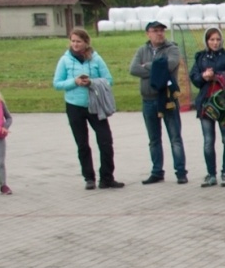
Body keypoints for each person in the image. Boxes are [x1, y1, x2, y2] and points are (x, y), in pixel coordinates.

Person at [53, 29, 121, 190]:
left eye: (79, 41)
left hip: (95, 105)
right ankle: (89, 178)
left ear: (86, 43)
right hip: (74, 105)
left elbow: (108, 80)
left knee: (105, 141)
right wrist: (74, 82)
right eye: (73, 41)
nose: (75, 44)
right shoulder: (65, 60)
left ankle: (107, 177)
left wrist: (92, 82)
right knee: (82, 143)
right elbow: (57, 83)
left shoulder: (96, 59)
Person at [128, 20, 187, 184]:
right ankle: (157, 171)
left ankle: (181, 172)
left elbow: (169, 65)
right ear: (148, 33)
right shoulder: (142, 49)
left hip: (167, 99)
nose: (159, 33)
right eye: (155, 30)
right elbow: (133, 69)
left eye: (161, 30)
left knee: (175, 137)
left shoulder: (172, 49)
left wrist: (146, 66)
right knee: (154, 139)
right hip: (148, 100)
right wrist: (156, 69)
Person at [190, 28, 225, 187]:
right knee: (208, 140)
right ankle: (211, 174)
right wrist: (204, 76)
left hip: (224, 103)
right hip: (206, 103)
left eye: (218, 39)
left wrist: (216, 76)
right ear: (207, 41)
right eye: (212, 40)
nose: (215, 43)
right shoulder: (200, 57)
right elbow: (195, 78)